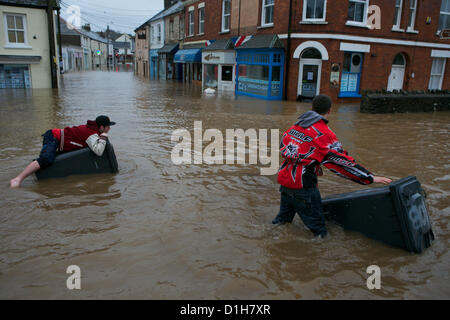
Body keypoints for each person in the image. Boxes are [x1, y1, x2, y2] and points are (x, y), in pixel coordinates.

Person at [272, 95, 392, 238]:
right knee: (320, 233)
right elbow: (340, 162)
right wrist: (369, 177)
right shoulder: (324, 133)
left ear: (312, 108)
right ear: (329, 111)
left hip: (285, 181)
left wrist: (312, 162)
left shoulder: (295, 126)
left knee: (282, 222)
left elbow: (283, 147)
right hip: (304, 187)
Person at [10, 115, 115, 188]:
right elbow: (99, 151)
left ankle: (35, 171)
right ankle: (17, 179)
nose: (109, 128)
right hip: (53, 136)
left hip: (56, 138)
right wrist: (104, 137)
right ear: (101, 127)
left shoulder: (92, 131)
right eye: (108, 127)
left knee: (51, 161)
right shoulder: (92, 134)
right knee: (46, 159)